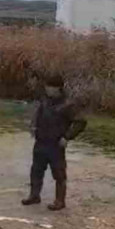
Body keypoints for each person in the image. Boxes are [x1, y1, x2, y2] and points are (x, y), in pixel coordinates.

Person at [22, 74, 87, 211]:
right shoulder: (44, 101)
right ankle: (34, 196)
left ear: (58, 88)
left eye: (50, 87)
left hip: (56, 144)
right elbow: (37, 114)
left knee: (58, 173)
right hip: (41, 141)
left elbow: (80, 122)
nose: (48, 90)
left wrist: (67, 137)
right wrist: (33, 127)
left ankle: (60, 201)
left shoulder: (68, 104)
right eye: (47, 87)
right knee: (36, 171)